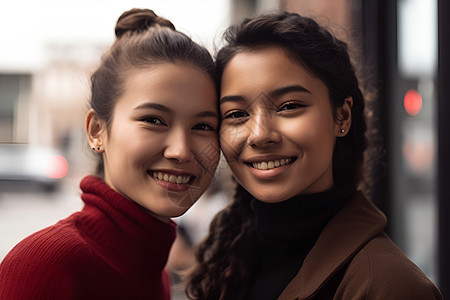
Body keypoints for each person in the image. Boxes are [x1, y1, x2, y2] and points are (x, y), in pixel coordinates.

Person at [185, 12, 443, 300]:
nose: (259, 134)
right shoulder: (229, 259)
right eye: (236, 114)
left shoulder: (387, 285)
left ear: (341, 116)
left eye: (289, 106)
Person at [0, 8, 219, 300]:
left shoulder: (156, 273)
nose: (181, 150)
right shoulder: (43, 267)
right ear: (97, 131)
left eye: (203, 126)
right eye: (153, 120)